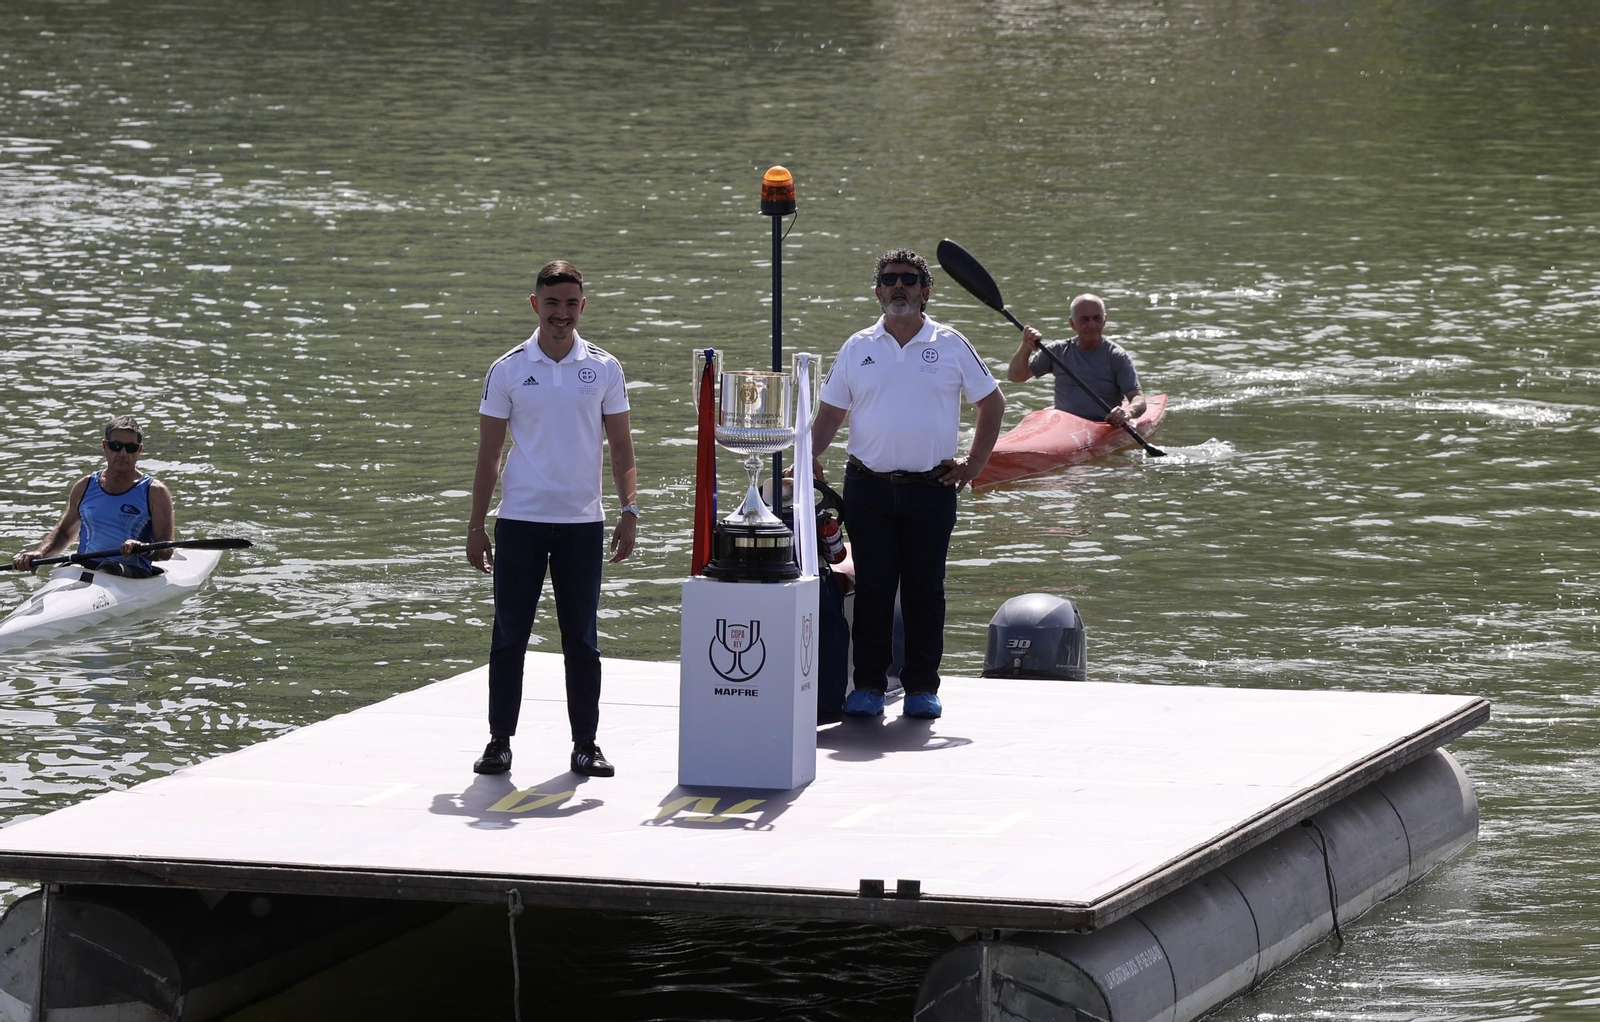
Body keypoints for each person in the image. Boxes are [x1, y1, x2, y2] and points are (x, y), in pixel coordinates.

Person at [809, 248, 1005, 720]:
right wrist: (806, 457)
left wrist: (976, 462)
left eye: (909, 279)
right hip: (868, 487)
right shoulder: (857, 346)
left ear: (925, 291)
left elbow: (992, 402)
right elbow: (830, 414)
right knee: (873, 589)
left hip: (931, 488)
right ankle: (868, 686)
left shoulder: (951, 343)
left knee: (925, 591)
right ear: (877, 291)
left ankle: (921, 687)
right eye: (890, 279)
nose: (899, 286)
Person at [466, 260, 638, 777]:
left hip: (582, 525)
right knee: (508, 636)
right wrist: (476, 525)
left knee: (581, 639)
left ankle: (586, 744)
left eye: (569, 304)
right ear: (534, 305)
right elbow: (489, 456)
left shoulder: (605, 368)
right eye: (551, 303)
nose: (560, 313)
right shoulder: (507, 369)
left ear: (582, 307)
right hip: (519, 521)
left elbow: (622, 449)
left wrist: (629, 510)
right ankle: (499, 741)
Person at [12, 415, 174, 579]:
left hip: (130, 571)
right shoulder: (85, 486)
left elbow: (166, 551)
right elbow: (64, 533)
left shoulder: (155, 492)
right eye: (116, 446)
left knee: (109, 567)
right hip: (86, 566)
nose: (123, 453)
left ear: (139, 450)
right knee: (64, 568)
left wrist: (144, 548)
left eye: (131, 448)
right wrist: (40, 553)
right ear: (105, 446)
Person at [1008, 294, 1147, 425]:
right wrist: (1026, 346)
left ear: (1104, 320)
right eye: (1084, 319)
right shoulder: (1057, 351)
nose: (1092, 325)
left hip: (1100, 426)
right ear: (1072, 323)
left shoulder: (1117, 356)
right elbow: (1016, 377)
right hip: (1063, 425)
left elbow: (1138, 399)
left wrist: (1128, 412)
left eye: (1097, 318)